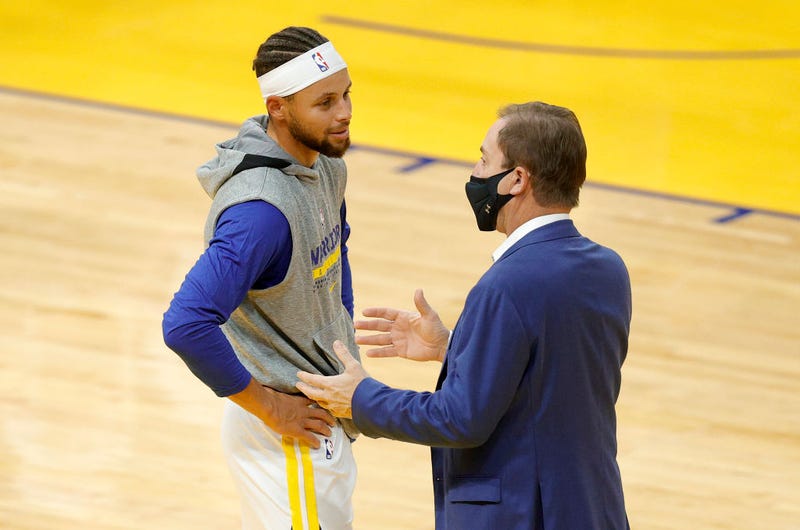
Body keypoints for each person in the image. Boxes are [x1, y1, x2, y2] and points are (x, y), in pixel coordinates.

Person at [297, 102, 632, 529]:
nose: (475, 173)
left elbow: (459, 419)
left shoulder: (507, 285)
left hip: (523, 515)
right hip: (593, 508)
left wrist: (361, 398)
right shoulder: (608, 269)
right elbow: (552, 371)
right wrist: (455, 347)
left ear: (516, 179)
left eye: (483, 158)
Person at [162, 26, 360, 530]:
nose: (344, 113)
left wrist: (343, 349)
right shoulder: (260, 214)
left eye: (346, 94)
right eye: (325, 103)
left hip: (317, 414)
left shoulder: (326, 166)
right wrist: (270, 407)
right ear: (278, 108)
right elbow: (186, 324)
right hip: (287, 432)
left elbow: (336, 261)